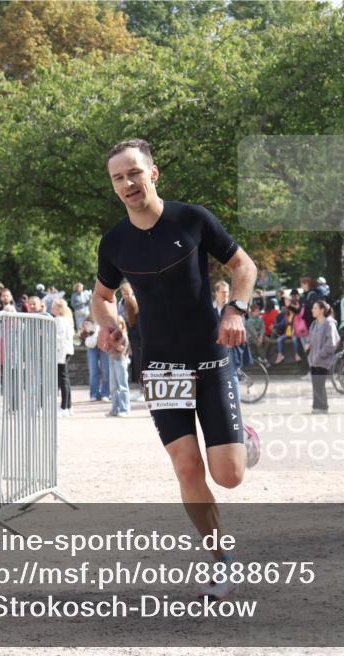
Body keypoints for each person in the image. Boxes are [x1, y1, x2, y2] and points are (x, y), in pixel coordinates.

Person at [92, 138, 259, 600]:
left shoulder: (192, 218)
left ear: (153, 173)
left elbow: (244, 265)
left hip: (210, 356)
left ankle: (245, 439)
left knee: (228, 475)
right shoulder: (115, 242)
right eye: (118, 178)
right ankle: (222, 562)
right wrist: (111, 326)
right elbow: (101, 299)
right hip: (161, 365)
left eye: (133, 173)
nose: (127, 183)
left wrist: (236, 311)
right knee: (187, 468)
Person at [305, 300, 339, 414]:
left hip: (323, 359)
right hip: (314, 359)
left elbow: (332, 343)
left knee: (320, 383)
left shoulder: (329, 324)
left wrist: (321, 354)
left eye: (315, 308)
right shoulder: (314, 323)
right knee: (316, 383)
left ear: (322, 310)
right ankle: (317, 406)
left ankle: (322, 407)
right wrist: (308, 344)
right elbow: (310, 337)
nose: (312, 310)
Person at [52, 298, 75, 416]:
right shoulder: (66, 320)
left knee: (63, 380)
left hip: (62, 352)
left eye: (54, 306)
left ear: (59, 308)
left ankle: (64, 407)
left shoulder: (60, 320)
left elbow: (58, 338)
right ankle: (69, 406)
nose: (52, 308)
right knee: (65, 379)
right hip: (65, 351)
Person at [107, 314, 132, 417]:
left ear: (122, 325)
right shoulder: (112, 335)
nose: (116, 327)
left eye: (119, 324)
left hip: (120, 361)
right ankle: (115, 409)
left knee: (122, 386)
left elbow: (121, 348)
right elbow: (107, 347)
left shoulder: (123, 336)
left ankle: (125, 409)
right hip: (112, 360)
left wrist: (111, 341)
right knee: (113, 387)